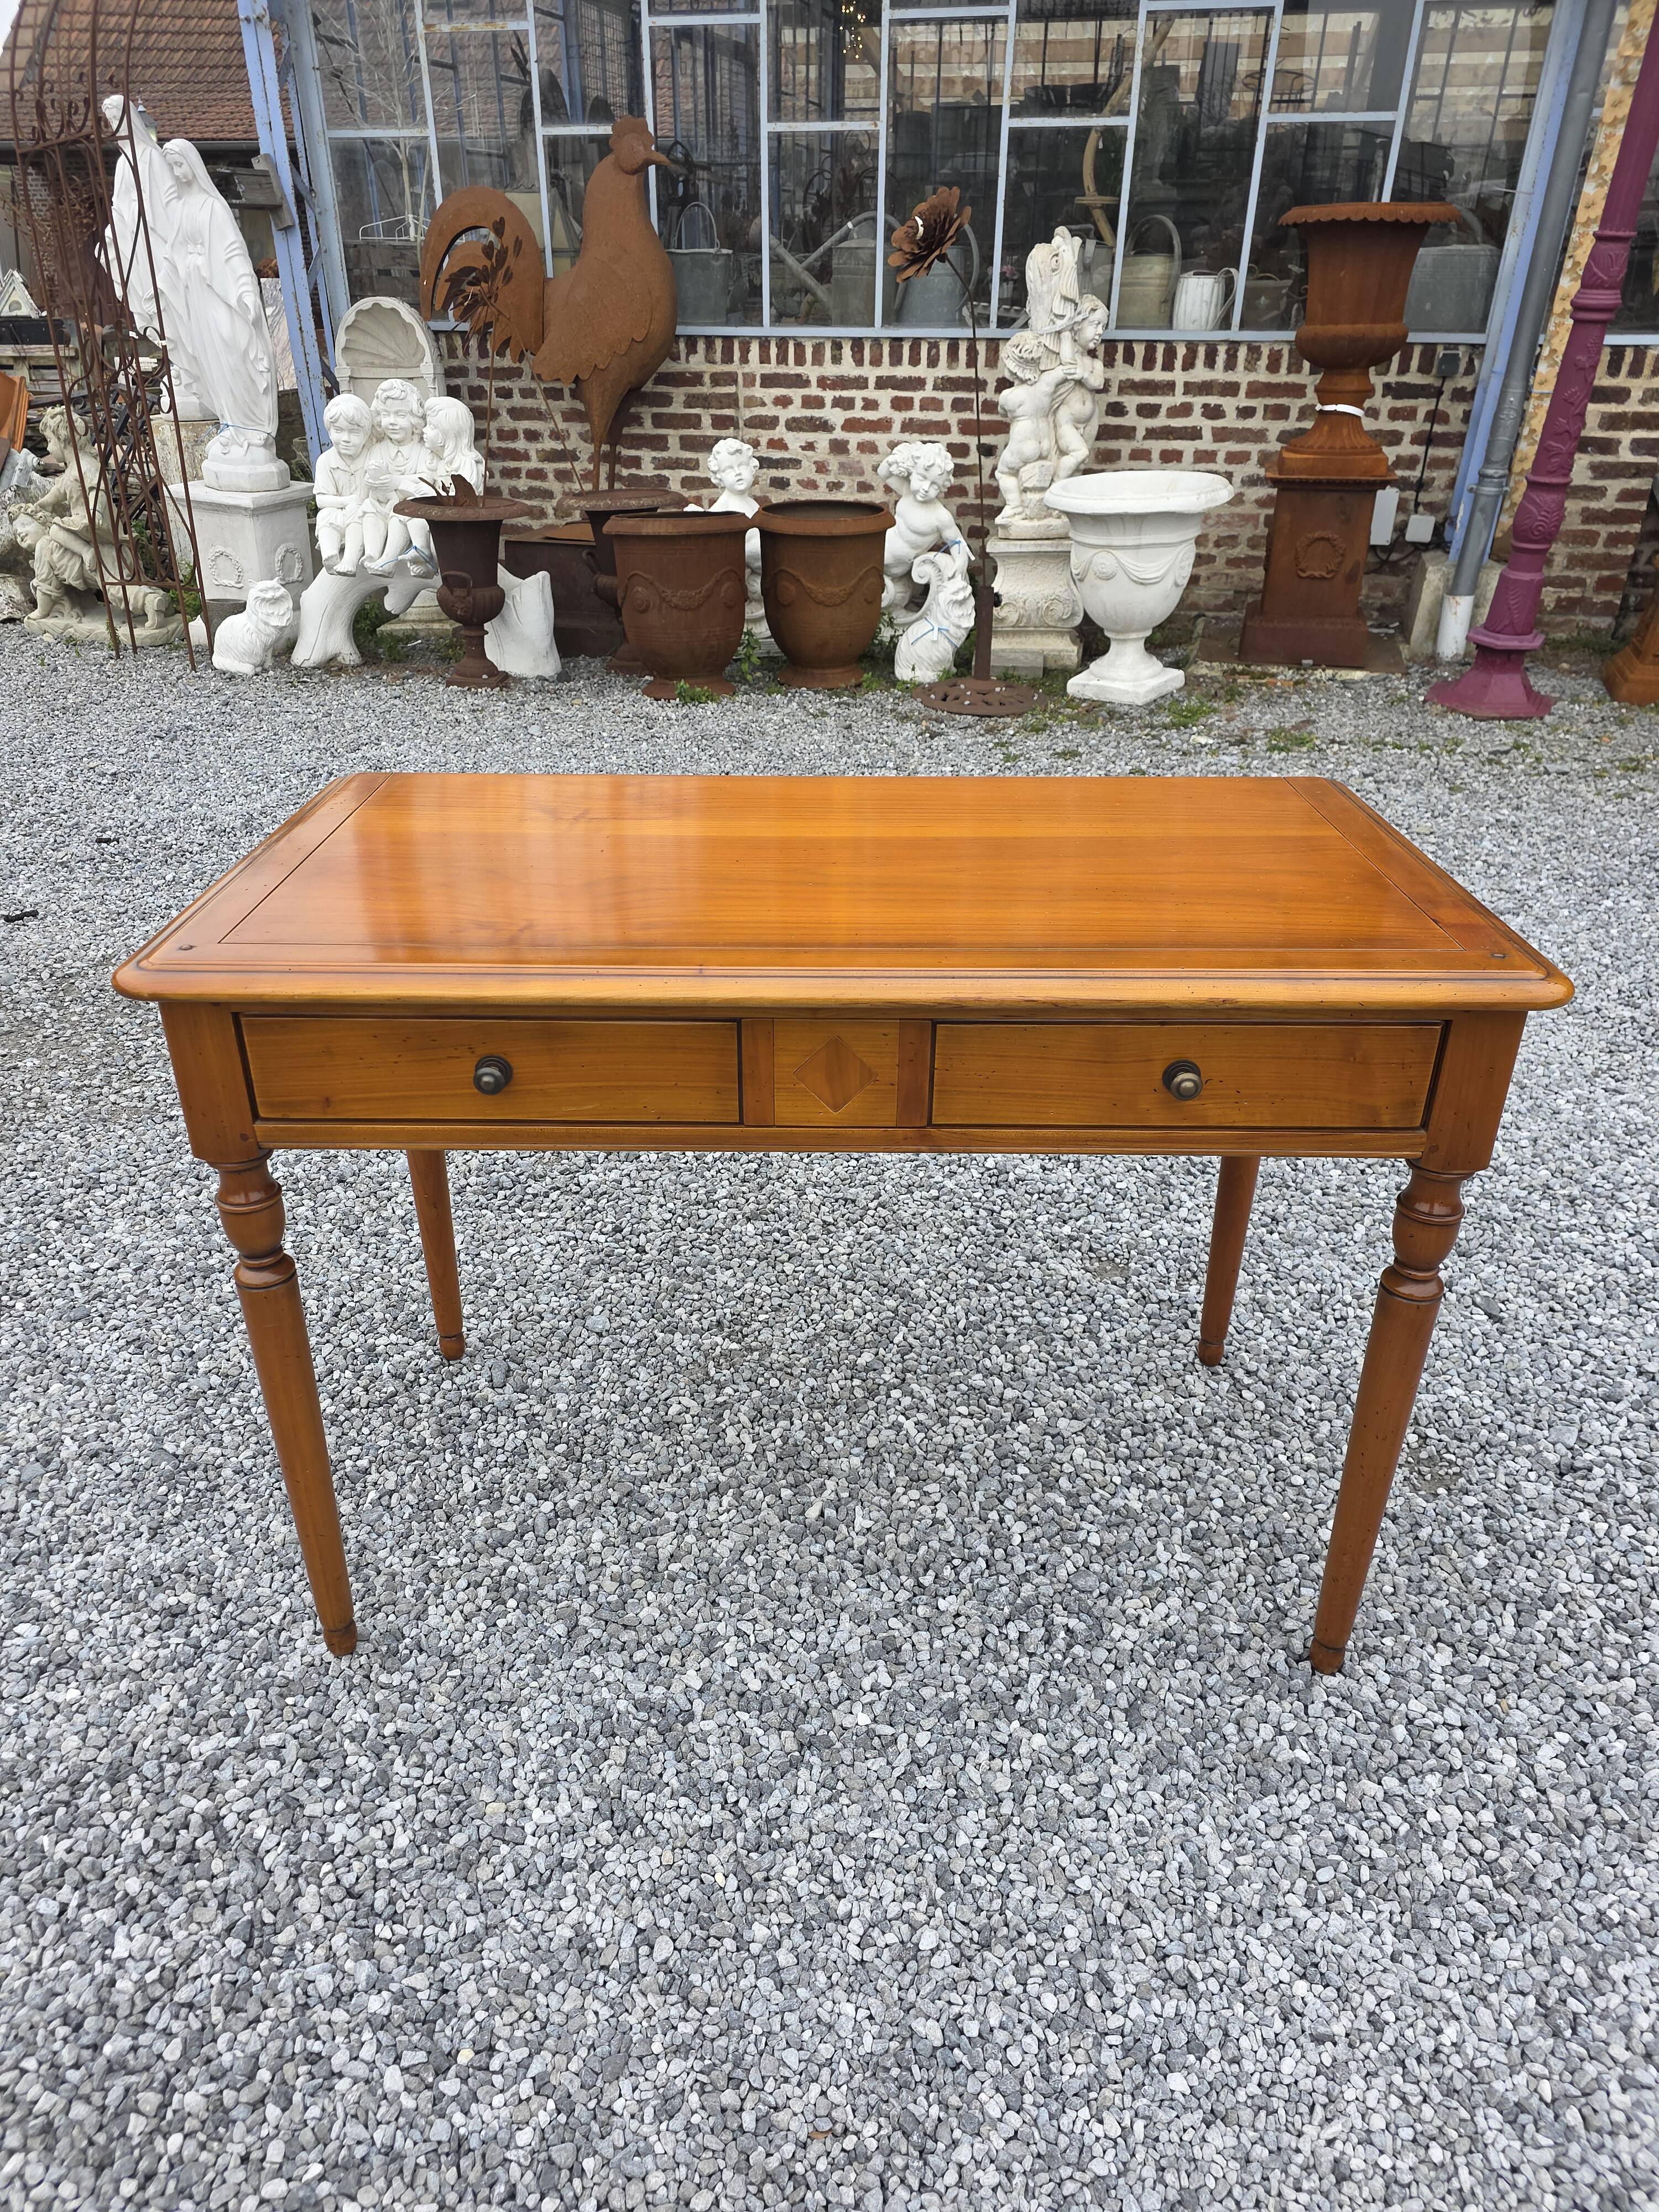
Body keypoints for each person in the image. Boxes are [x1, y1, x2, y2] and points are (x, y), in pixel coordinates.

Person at [159, 138, 279, 459]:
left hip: (219, 293)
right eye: (172, 168)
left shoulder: (213, 207)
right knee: (211, 359)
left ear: (194, 165)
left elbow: (233, 251)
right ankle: (230, 423)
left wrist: (244, 290)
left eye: (180, 165)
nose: (177, 172)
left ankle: (251, 427)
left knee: (232, 349)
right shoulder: (181, 210)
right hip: (194, 294)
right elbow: (173, 253)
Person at [876, 441, 967, 622]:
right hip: (875, 555)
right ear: (912, 473)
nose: (926, 488)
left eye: (934, 485)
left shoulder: (940, 516)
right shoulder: (907, 491)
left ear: (942, 488)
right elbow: (883, 473)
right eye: (922, 478)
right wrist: (898, 458)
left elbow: (957, 542)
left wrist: (961, 560)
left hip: (898, 572)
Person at [313, 394, 374, 575]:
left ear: (366, 433)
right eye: (339, 431)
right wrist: (346, 501)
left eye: (354, 432)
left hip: (367, 515)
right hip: (343, 510)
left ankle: (350, 559)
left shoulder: (373, 456)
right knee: (325, 516)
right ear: (330, 431)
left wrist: (354, 504)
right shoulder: (325, 461)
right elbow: (321, 501)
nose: (346, 439)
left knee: (357, 514)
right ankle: (330, 555)